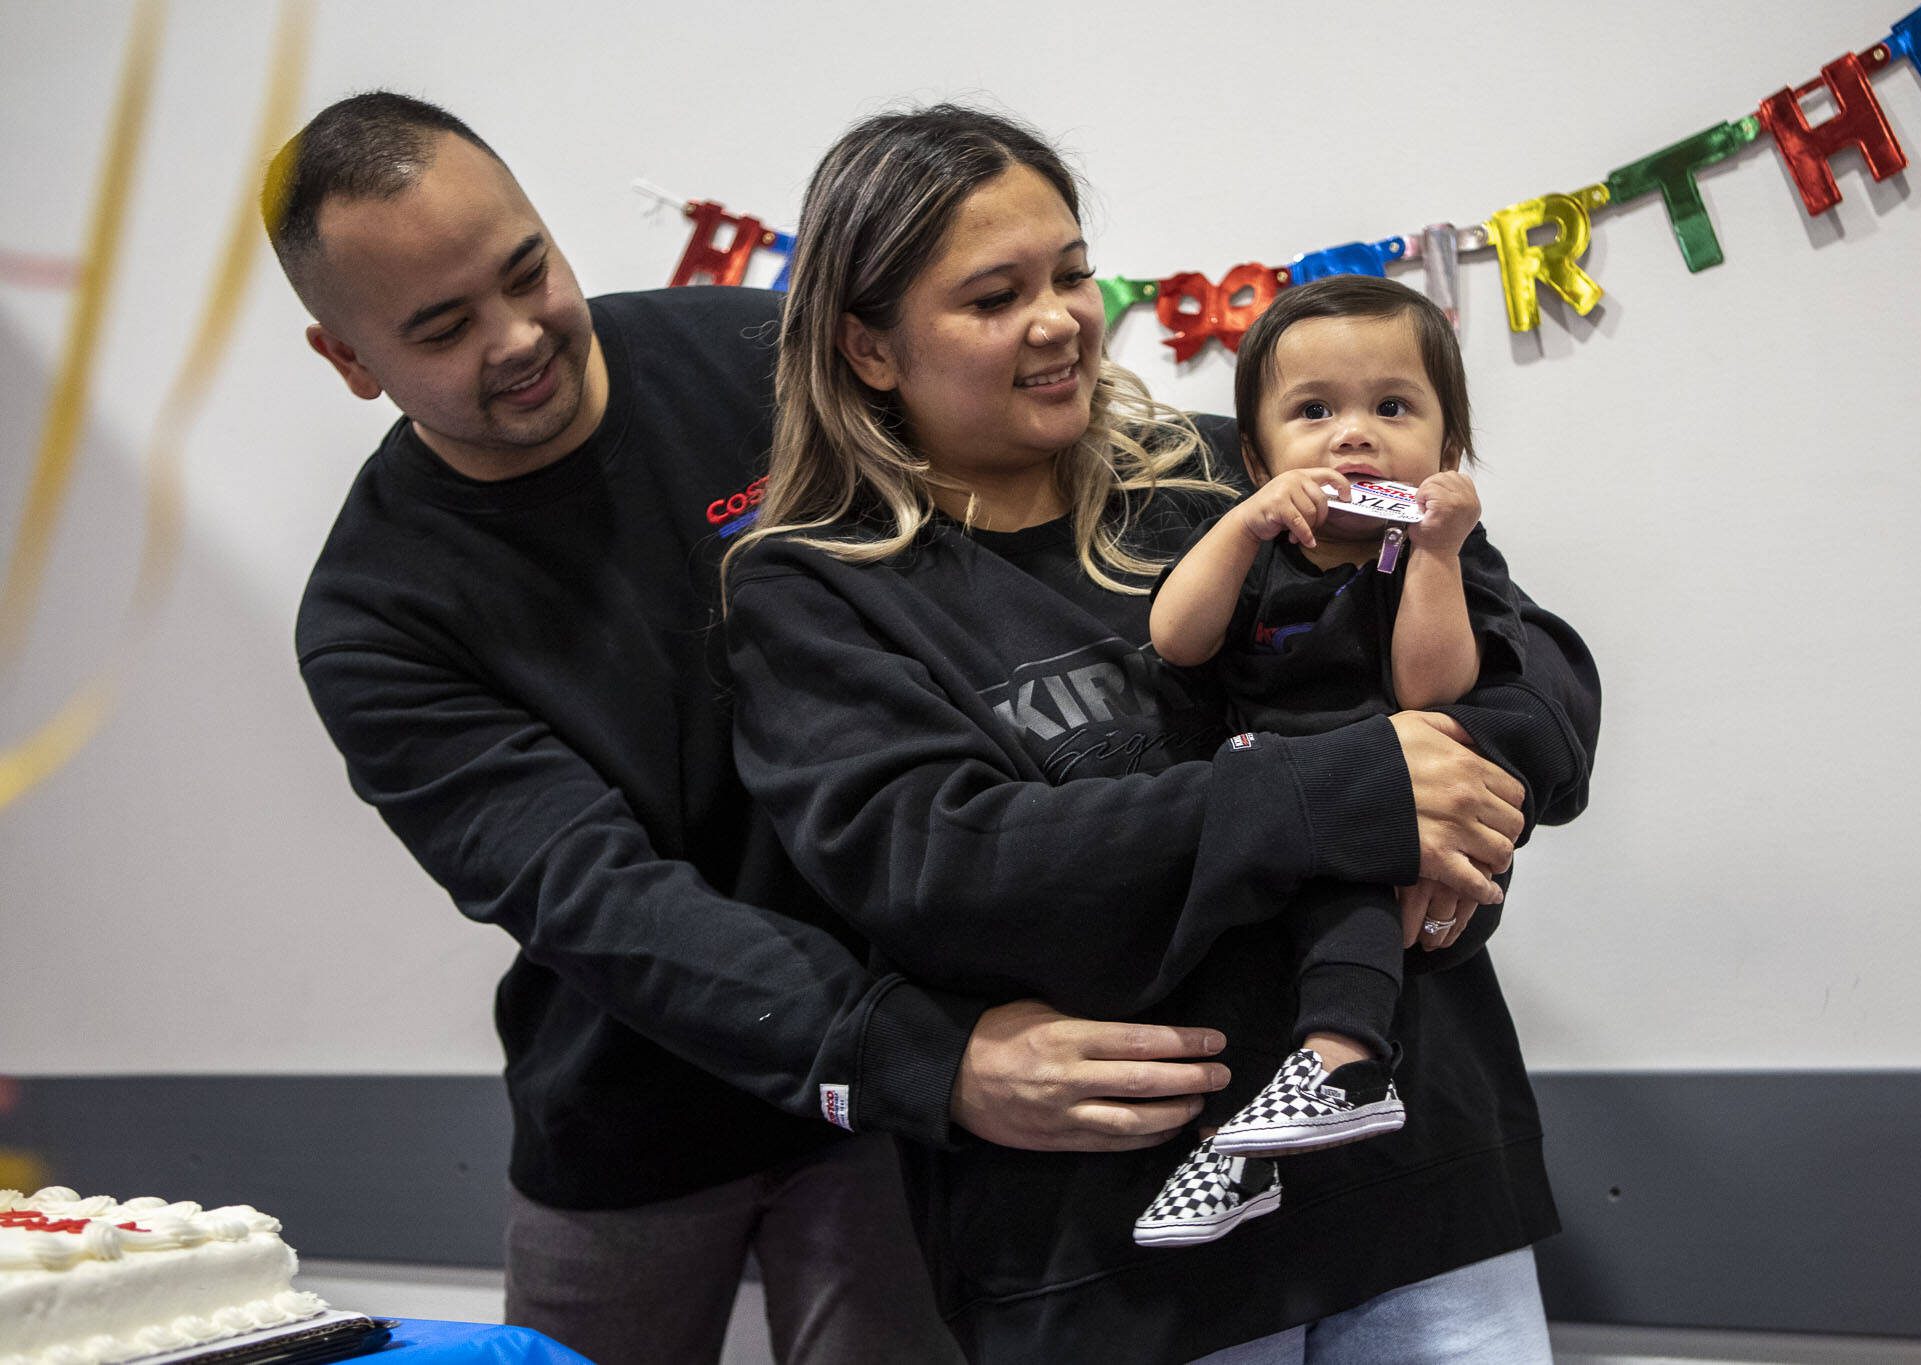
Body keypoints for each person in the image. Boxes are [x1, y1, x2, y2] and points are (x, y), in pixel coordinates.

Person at [263, 92, 1239, 1365]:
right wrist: (921, 1056)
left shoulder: (764, 361)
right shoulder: (374, 615)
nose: (515, 338)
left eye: (526, 272)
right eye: (443, 327)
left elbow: (1032, 526)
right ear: (348, 361)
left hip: (904, 1105)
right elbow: (599, 902)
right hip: (645, 1114)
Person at [724, 104, 1599, 1363]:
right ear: (868, 346)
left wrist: (1461, 794)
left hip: (1416, 1180)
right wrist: (1347, 792)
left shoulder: (1228, 467)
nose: (1057, 320)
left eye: (1071, 273)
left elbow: (1540, 684)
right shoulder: (815, 591)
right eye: (992, 296)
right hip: (1119, 1244)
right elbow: (946, 870)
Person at [1137, 274, 1532, 1242]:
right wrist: (1241, 521)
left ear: (1444, 447)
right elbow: (1176, 638)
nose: (1351, 434)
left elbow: (1432, 688)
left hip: (1369, 801)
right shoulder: (1251, 546)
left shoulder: (1421, 558)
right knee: (1230, 961)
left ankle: (1344, 1061)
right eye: (1312, 412)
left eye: (1389, 408)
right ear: (1254, 451)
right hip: (1256, 803)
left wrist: (1436, 553)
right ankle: (1244, 1155)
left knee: (1348, 899)